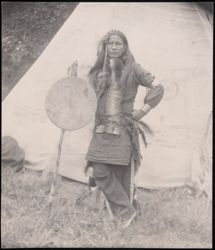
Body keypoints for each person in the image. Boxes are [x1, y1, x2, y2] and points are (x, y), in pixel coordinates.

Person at [85, 30, 164, 226]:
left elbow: (158, 86)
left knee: (121, 173)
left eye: (117, 43)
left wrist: (144, 110)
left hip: (122, 129)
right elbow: (87, 98)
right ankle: (127, 211)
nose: (113, 47)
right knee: (99, 171)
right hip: (101, 129)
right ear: (105, 46)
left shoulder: (133, 68)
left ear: (124, 46)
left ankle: (125, 213)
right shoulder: (97, 70)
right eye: (110, 43)